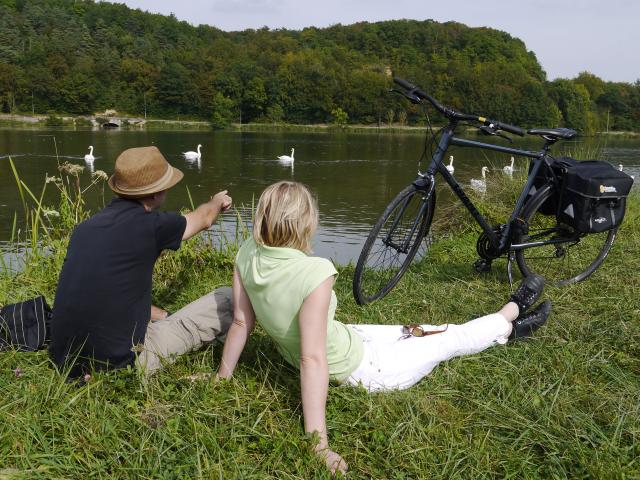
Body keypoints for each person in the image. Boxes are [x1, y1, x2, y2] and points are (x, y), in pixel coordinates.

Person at [217, 181, 552, 475]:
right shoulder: (315, 272)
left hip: (348, 336)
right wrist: (318, 445)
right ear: (307, 222)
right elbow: (312, 360)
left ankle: (502, 325)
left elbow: (242, 321)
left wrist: (222, 376)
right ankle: (510, 317)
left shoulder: (246, 253)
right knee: (448, 340)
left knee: (418, 329)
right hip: (365, 369)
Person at [49, 146, 233, 378]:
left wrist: (160, 314)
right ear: (157, 193)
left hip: (64, 357)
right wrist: (217, 201)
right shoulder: (153, 225)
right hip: (118, 365)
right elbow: (203, 219)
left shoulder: (85, 228)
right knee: (229, 298)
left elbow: (107, 292)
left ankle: (162, 320)